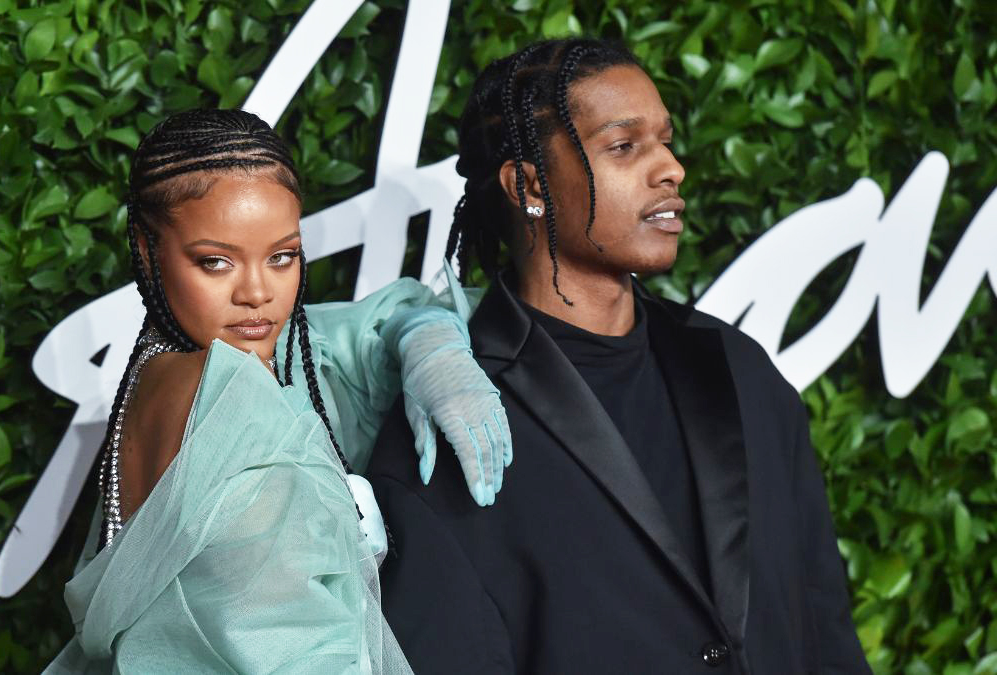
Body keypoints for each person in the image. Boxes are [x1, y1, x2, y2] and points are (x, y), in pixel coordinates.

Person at [367, 38, 871, 674]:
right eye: (624, 146)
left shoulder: (740, 370)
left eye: (665, 140)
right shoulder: (448, 430)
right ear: (529, 185)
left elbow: (825, 629)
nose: (670, 168)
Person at [45, 109, 511, 673]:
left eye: (282, 256)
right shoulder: (231, 399)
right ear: (147, 252)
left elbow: (370, 328)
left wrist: (427, 337)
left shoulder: (157, 372)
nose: (257, 293)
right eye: (215, 262)